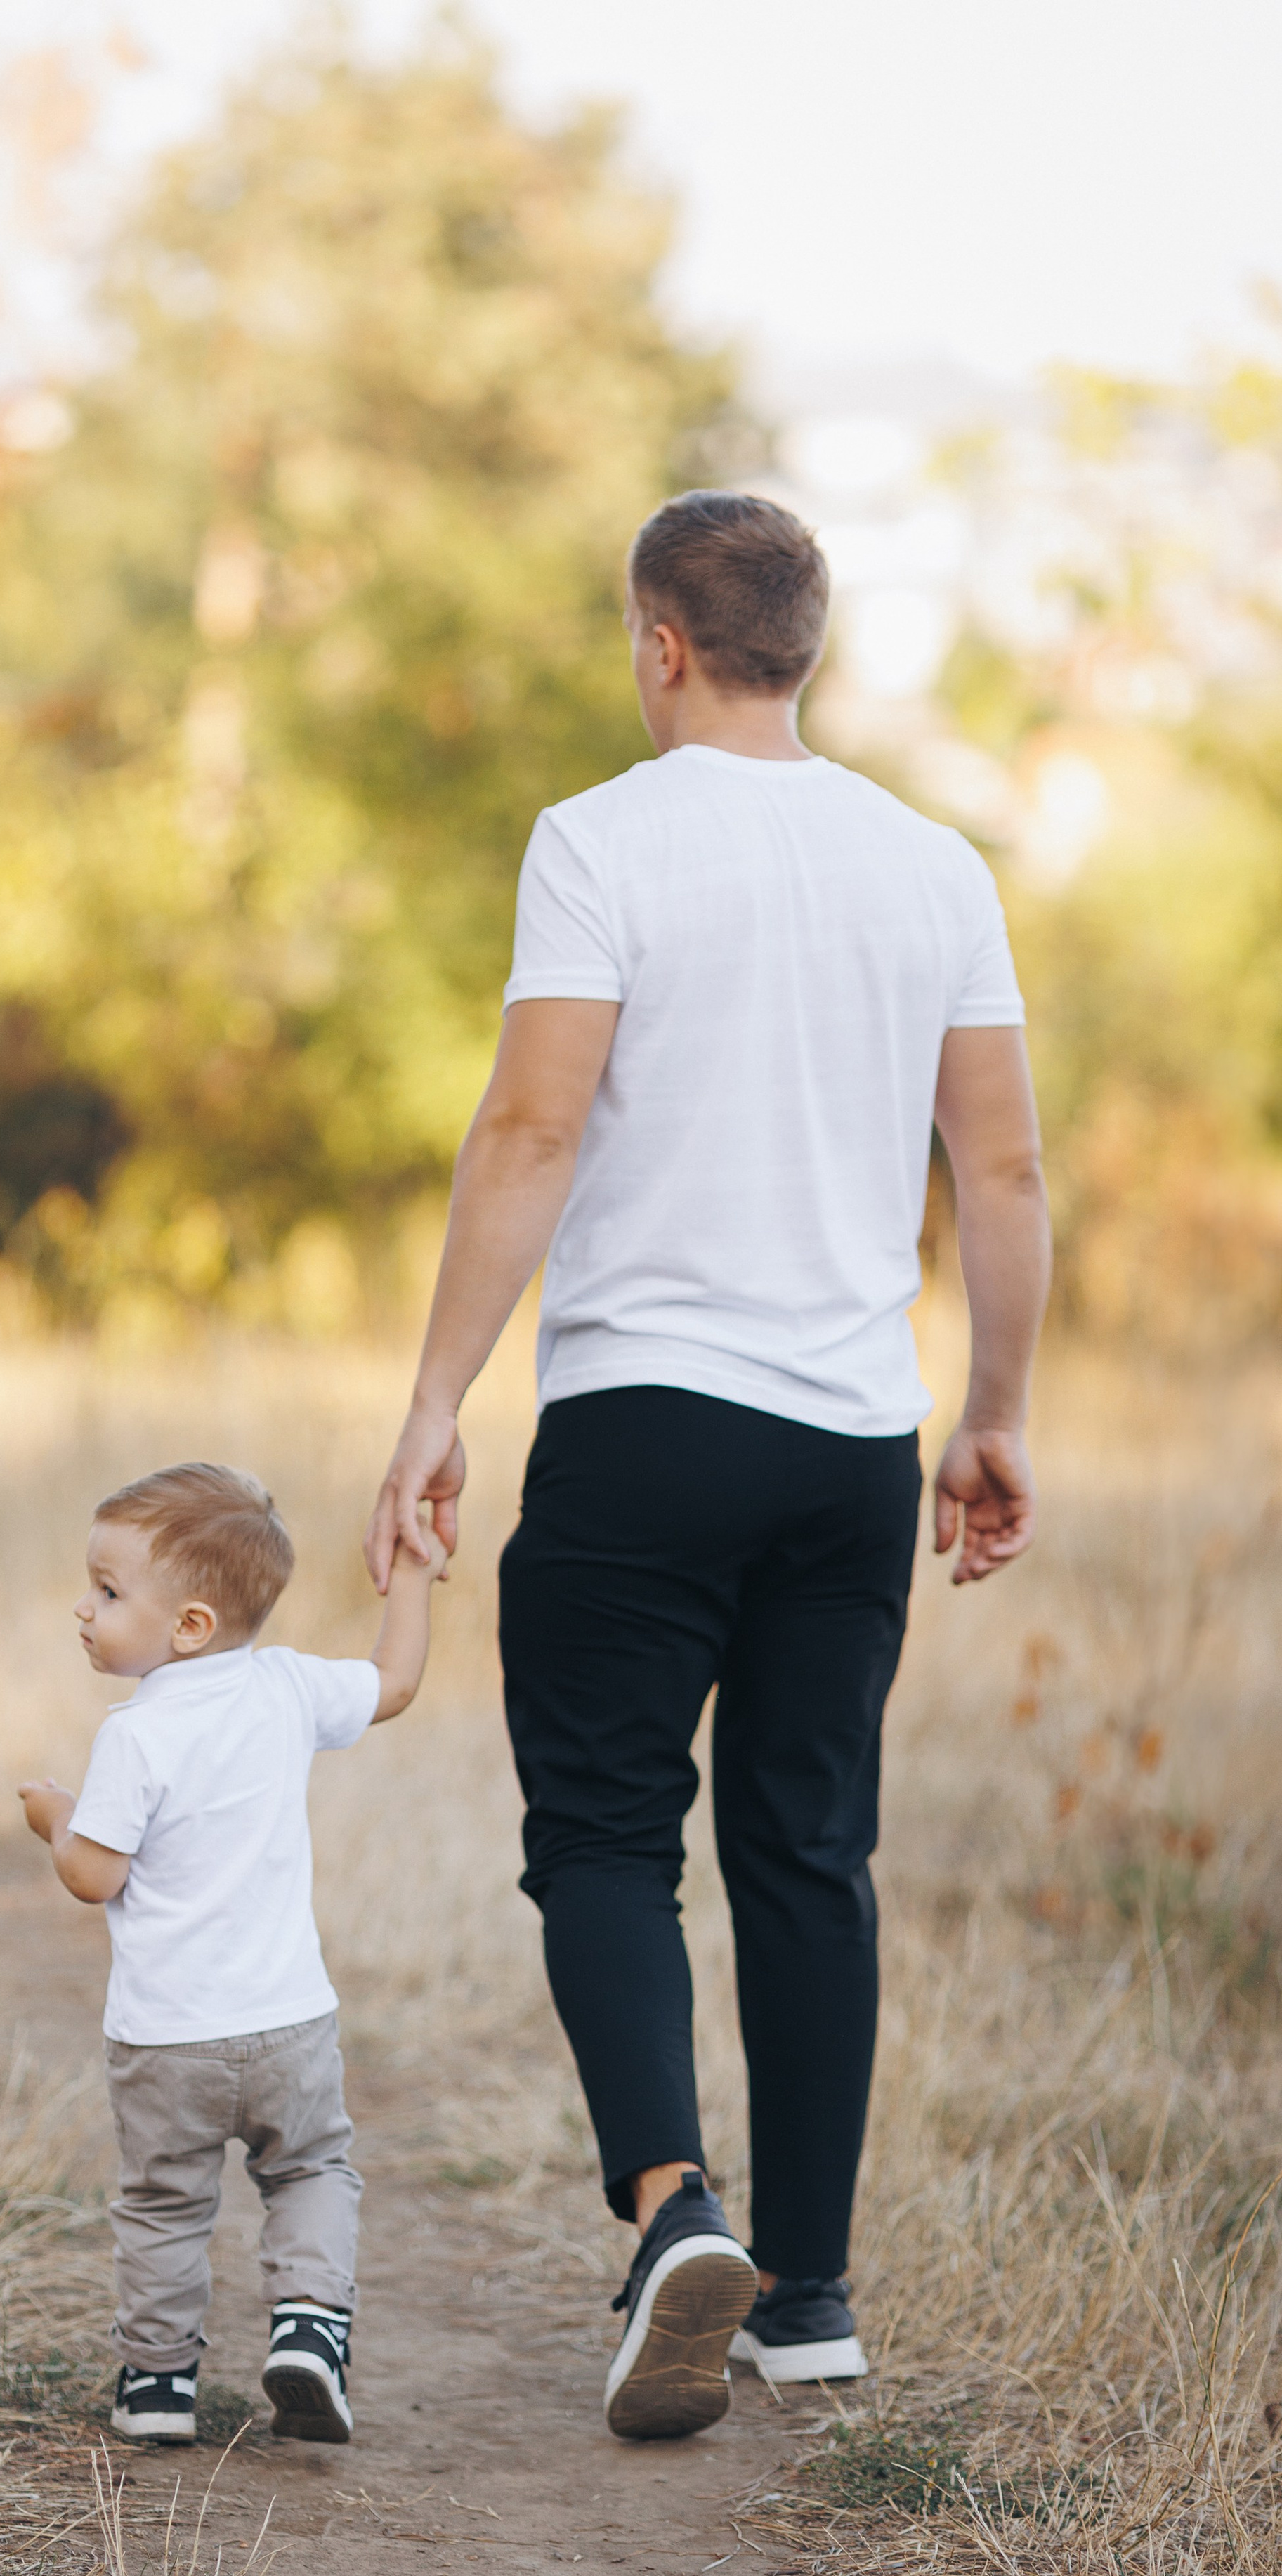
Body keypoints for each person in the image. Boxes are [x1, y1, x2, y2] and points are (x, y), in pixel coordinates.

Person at [365, 490, 1050, 2442]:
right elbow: (1001, 1168)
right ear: (801, 648)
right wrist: (993, 1411)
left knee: (604, 1836)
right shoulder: (933, 864)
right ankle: (808, 2297)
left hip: (643, 1427)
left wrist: (435, 1396)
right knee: (808, 1850)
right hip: (850, 1446)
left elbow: (529, 1130)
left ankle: (676, 2210)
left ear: (661, 643)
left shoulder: (601, 838)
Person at [21, 1462, 444, 2447]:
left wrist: (55, 1818)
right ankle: (311, 2328)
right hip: (290, 2023)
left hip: (167, 2039)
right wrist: (416, 1578)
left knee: (165, 2206)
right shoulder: (288, 1686)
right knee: (310, 2173)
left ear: (190, 1626)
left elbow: (95, 1876)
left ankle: (157, 2383)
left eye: (107, 1592)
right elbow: (395, 1683)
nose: (83, 1609)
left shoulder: (136, 1737)